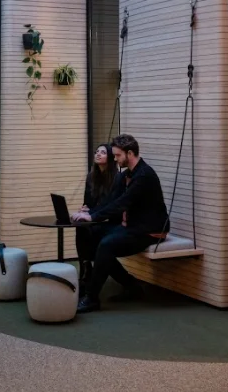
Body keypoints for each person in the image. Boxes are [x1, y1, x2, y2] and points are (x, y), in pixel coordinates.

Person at [72, 133, 168, 313]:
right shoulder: (127, 174)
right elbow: (111, 200)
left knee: (106, 246)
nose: (115, 159)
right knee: (91, 233)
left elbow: (121, 204)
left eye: (117, 156)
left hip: (149, 231)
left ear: (129, 153)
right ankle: (131, 286)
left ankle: (92, 298)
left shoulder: (144, 176)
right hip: (132, 227)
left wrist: (93, 217)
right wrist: (87, 214)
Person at [76, 144, 119, 294]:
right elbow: (88, 203)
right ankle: (86, 267)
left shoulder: (116, 178)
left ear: (111, 157)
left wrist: (91, 212)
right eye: (97, 152)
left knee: (91, 236)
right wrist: (84, 209)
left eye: (103, 152)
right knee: (81, 227)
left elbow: (111, 206)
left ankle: (88, 272)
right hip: (95, 217)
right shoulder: (91, 177)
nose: (98, 154)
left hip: (110, 219)